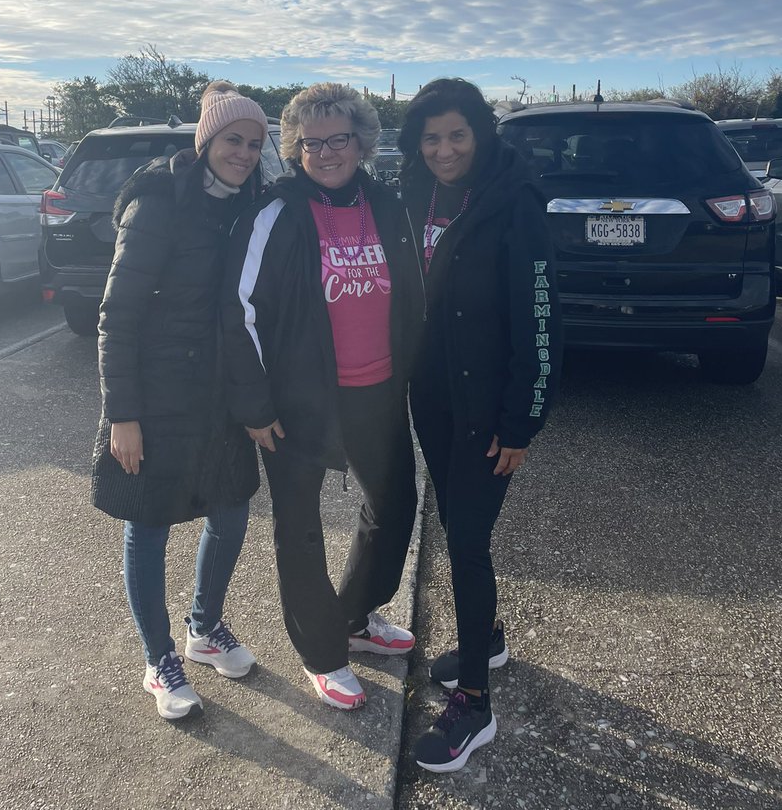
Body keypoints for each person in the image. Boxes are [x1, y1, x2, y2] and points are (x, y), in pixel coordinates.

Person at [220, 83, 421, 710]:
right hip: (296, 404)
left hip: (379, 389)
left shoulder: (387, 205)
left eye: (339, 138)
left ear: (362, 140)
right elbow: (239, 310)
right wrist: (255, 406)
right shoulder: (274, 213)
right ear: (296, 148)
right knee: (300, 530)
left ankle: (355, 617)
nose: (327, 152)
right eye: (312, 143)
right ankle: (321, 651)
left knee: (393, 509)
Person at [91, 81, 270, 720]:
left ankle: (205, 628)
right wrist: (123, 415)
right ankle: (158, 658)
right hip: (157, 395)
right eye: (232, 140)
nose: (244, 153)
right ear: (206, 141)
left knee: (231, 509)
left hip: (218, 397)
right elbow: (117, 314)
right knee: (150, 522)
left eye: (254, 143)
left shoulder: (245, 206)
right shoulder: (159, 201)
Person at [397, 77, 561, 773]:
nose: (444, 149)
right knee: (460, 529)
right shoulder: (414, 193)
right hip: (431, 398)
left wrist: (522, 421)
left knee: (466, 540)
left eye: (457, 135)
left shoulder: (514, 203)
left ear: (481, 134)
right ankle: (483, 634)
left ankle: (474, 702)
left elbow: (542, 321)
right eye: (431, 137)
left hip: (488, 408)